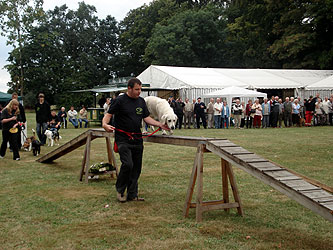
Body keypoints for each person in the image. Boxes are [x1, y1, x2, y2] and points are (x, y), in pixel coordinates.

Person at [102, 78, 169, 202]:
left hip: (137, 139)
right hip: (123, 139)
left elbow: (146, 118)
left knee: (136, 167)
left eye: (140, 89)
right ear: (129, 88)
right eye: (137, 89)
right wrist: (105, 125)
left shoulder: (141, 101)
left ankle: (132, 194)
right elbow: (108, 115)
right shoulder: (119, 101)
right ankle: (120, 190)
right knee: (128, 164)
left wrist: (160, 124)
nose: (139, 92)